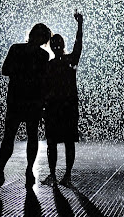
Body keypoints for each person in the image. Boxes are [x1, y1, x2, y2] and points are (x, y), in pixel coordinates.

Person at [0, 23, 51, 189]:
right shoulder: (40, 55)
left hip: (20, 99)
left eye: (41, 36)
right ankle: (19, 170)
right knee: (22, 136)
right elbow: (6, 70)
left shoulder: (18, 50)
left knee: (15, 136)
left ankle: (4, 170)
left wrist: (21, 71)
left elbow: (7, 70)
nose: (39, 38)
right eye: (39, 35)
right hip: (26, 100)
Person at [42, 11, 83, 187]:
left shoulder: (65, 61)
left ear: (62, 45)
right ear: (51, 46)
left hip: (62, 107)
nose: (56, 46)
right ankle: (61, 176)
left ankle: (63, 176)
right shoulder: (60, 63)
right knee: (58, 142)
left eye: (58, 43)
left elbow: (79, 43)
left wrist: (80, 25)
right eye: (54, 43)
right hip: (60, 106)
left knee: (63, 142)